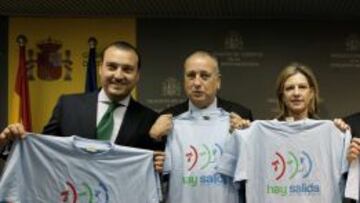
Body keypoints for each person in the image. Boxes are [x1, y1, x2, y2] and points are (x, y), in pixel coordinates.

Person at [217, 62, 350, 203]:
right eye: (290, 88)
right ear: (282, 95)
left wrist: (341, 134)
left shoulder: (333, 134)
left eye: (302, 87)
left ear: (311, 93)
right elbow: (229, 178)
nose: (296, 93)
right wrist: (239, 134)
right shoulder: (255, 134)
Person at [0, 41, 163, 152]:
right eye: (112, 67)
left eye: (127, 69)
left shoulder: (150, 120)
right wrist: (13, 143)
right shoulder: (68, 106)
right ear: (100, 69)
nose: (118, 75)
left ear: (137, 75)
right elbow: (43, 151)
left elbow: (158, 171)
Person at [150, 50, 252, 203]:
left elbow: (250, 171)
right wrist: (154, 138)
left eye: (204, 76)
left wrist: (245, 136)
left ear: (218, 81)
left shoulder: (240, 115)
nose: (197, 83)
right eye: (191, 75)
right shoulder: (168, 118)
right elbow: (153, 175)